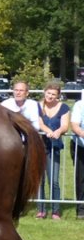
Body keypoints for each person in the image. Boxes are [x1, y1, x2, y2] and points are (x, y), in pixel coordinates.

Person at [36, 82, 69, 219]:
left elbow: (65, 125)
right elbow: (39, 123)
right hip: (39, 146)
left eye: (53, 94)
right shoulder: (38, 106)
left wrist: (59, 131)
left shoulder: (64, 107)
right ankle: (41, 210)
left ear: (58, 96)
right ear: (45, 92)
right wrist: (48, 130)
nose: (50, 96)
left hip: (54, 147)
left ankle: (55, 210)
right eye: (48, 93)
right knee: (40, 180)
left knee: (54, 180)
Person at [69, 98, 84, 219]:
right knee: (81, 178)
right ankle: (81, 209)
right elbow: (74, 125)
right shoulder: (79, 105)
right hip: (80, 146)